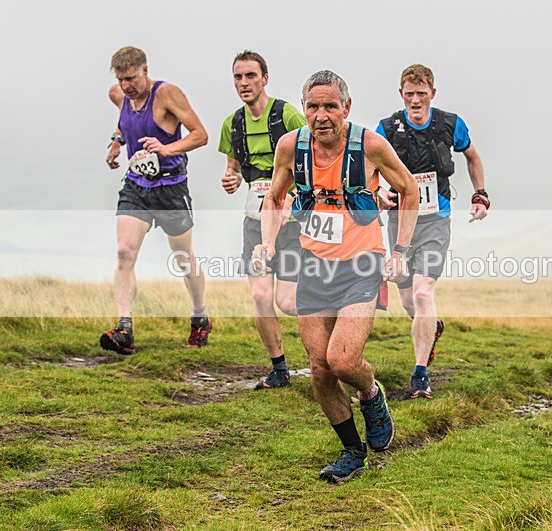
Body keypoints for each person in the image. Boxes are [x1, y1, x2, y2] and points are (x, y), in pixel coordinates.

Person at [252, 70, 419, 483]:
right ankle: (351, 452)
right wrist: (267, 243)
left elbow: (409, 189)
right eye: (313, 106)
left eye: (330, 106)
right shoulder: (291, 147)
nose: (321, 115)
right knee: (320, 369)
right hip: (313, 264)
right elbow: (274, 197)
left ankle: (371, 394)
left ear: (347, 107)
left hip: (361, 264)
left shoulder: (370, 146)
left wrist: (400, 251)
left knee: (342, 360)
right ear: (304, 109)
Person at [376, 64, 488, 399]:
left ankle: (420, 376)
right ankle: (432, 326)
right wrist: (378, 190)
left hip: (436, 219)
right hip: (400, 221)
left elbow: (472, 156)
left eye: (421, 94)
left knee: (424, 293)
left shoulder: (450, 124)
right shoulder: (386, 129)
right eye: (409, 94)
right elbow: (366, 164)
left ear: (432, 94)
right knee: (409, 298)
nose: (415, 100)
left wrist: (480, 194)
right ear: (401, 95)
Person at [101, 46, 210, 354]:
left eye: (132, 78)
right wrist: (116, 141)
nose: (126, 86)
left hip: (171, 189)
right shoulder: (118, 94)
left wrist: (166, 148)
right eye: (121, 79)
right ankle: (124, 328)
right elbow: (125, 122)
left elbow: (200, 135)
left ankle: (200, 316)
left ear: (145, 71)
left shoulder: (166, 94)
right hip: (137, 186)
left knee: (183, 258)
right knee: (124, 252)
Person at [219, 51, 307, 389]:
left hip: (291, 220)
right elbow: (232, 169)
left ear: (264, 79)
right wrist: (229, 179)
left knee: (286, 301)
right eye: (239, 77)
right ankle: (279, 368)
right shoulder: (233, 124)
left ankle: (332, 334)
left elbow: (315, 155)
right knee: (259, 296)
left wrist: (296, 196)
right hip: (255, 218)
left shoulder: (287, 115)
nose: (244, 83)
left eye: (250, 76)